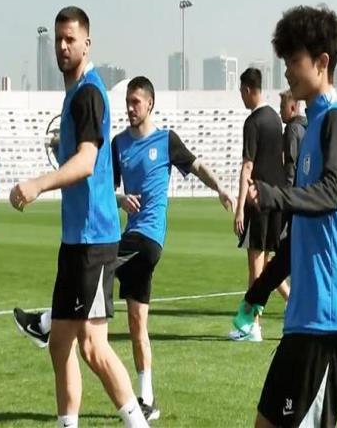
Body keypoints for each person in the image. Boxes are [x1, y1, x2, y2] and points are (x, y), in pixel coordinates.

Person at [13, 76, 235, 422]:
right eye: (128, 102)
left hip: (148, 238)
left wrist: (220, 187)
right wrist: (121, 199)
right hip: (128, 233)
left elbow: (196, 165)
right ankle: (147, 398)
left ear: (150, 104)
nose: (130, 108)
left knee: (94, 266)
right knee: (136, 322)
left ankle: (46, 322)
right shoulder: (118, 144)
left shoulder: (166, 140)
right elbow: (104, 186)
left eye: (136, 102)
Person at [9, 7, 148, 428]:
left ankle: (138, 423)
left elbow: (87, 162)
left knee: (93, 346)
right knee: (60, 344)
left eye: (70, 39)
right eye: (58, 39)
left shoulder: (88, 93)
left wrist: (38, 184)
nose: (63, 46)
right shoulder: (76, 94)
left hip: (93, 240)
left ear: (87, 44)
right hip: (78, 239)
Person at [236, 6, 337, 427]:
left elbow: (332, 193)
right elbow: (301, 238)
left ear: (322, 62)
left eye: (294, 60)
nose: (287, 70)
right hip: (302, 321)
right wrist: (259, 290)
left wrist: (274, 196)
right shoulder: (311, 128)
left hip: (326, 319)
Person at [230, 68, 288, 341]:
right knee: (267, 266)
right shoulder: (275, 118)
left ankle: (252, 325)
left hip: (258, 200)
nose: (242, 97)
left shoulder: (252, 122)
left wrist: (240, 208)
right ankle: (290, 302)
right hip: (276, 199)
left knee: (255, 265)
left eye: (242, 92)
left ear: (248, 90)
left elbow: (247, 166)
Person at [279, 89, 307, 186]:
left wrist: (287, 190)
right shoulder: (305, 127)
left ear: (292, 108)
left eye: (282, 107)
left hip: (294, 186)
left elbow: (290, 161)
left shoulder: (292, 129)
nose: (280, 112)